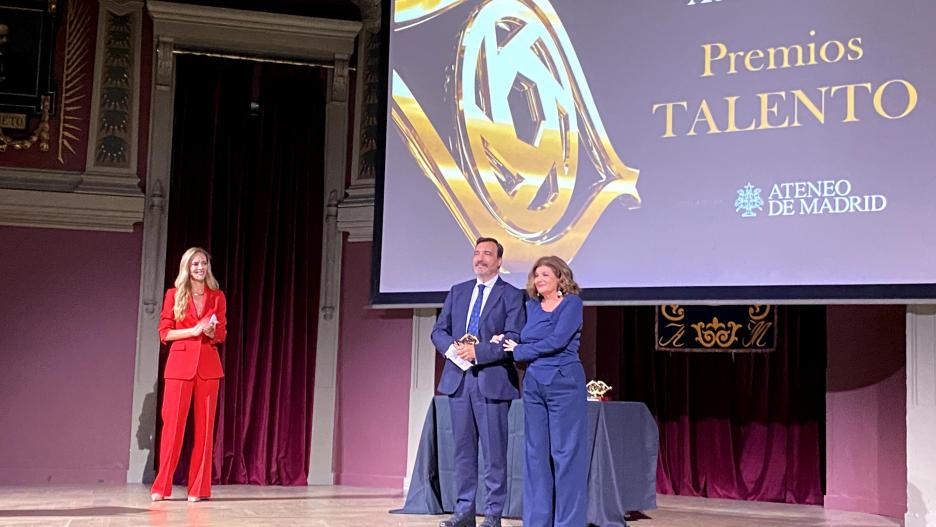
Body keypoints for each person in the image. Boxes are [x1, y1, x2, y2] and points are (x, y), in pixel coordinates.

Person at [431, 237, 526, 527]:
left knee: (495, 453)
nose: (480, 258)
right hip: (458, 380)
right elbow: (438, 330)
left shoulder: (511, 295)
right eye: (476, 253)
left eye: (487, 254)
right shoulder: (457, 292)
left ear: (499, 261)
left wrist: (479, 351)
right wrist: (454, 350)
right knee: (463, 451)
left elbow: (515, 337)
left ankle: (494, 515)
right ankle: (464, 512)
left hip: (492, 381)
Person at [502, 256, 587, 527]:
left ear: (561, 278)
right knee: (536, 453)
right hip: (535, 383)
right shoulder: (532, 307)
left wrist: (520, 351)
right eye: (536, 275)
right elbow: (523, 337)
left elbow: (558, 340)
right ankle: (537, 521)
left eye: (545, 275)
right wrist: (505, 341)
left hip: (564, 382)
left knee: (565, 454)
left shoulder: (571, 304)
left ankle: (568, 522)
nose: (538, 280)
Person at [150, 247, 227, 502]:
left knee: (205, 433)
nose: (200, 268)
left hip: (208, 367)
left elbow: (222, 334)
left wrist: (212, 333)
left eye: (203, 263)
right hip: (179, 366)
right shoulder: (174, 295)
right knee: (173, 429)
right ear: (187, 267)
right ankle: (161, 487)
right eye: (195, 264)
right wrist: (194, 330)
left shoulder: (217, 296)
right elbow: (164, 333)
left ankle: (199, 489)